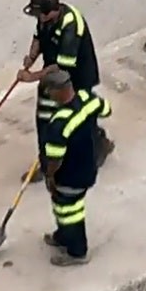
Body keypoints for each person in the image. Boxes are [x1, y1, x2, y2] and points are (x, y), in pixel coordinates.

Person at [16, 0, 114, 183]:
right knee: (44, 119)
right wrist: (31, 58)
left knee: (81, 119)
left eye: (39, 14)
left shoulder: (71, 25)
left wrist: (31, 76)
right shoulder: (44, 18)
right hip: (52, 78)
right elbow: (38, 37)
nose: (38, 18)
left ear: (49, 11)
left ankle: (99, 146)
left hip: (77, 78)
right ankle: (47, 164)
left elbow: (61, 67)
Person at [39, 68, 111, 266]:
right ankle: (63, 236)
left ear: (58, 91)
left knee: (69, 212)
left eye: (50, 92)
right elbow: (106, 109)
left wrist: (50, 176)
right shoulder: (88, 99)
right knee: (64, 207)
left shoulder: (60, 123)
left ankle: (77, 252)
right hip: (89, 165)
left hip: (70, 176)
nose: (49, 96)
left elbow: (55, 159)